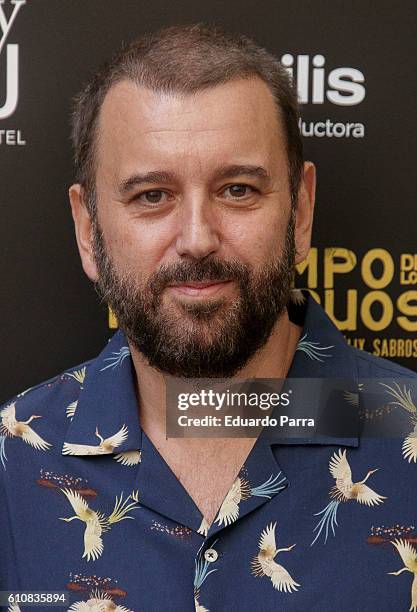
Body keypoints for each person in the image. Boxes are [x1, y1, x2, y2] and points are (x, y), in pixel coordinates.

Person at [1, 24, 416, 612]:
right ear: (88, 229)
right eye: (152, 196)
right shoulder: (12, 465)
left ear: (300, 211)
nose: (197, 239)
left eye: (238, 189)